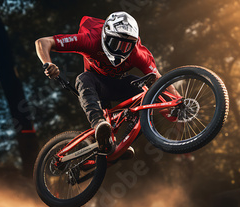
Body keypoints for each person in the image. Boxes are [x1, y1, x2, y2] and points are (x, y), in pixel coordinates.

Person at [35, 12, 172, 154]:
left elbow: (160, 81)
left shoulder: (138, 54)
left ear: (133, 45)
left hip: (118, 84)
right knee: (83, 78)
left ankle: (122, 144)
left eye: (125, 46)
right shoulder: (90, 40)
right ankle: (98, 123)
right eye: (115, 43)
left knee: (145, 90)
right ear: (105, 37)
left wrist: (180, 102)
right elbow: (43, 42)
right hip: (96, 86)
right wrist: (48, 63)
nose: (119, 50)